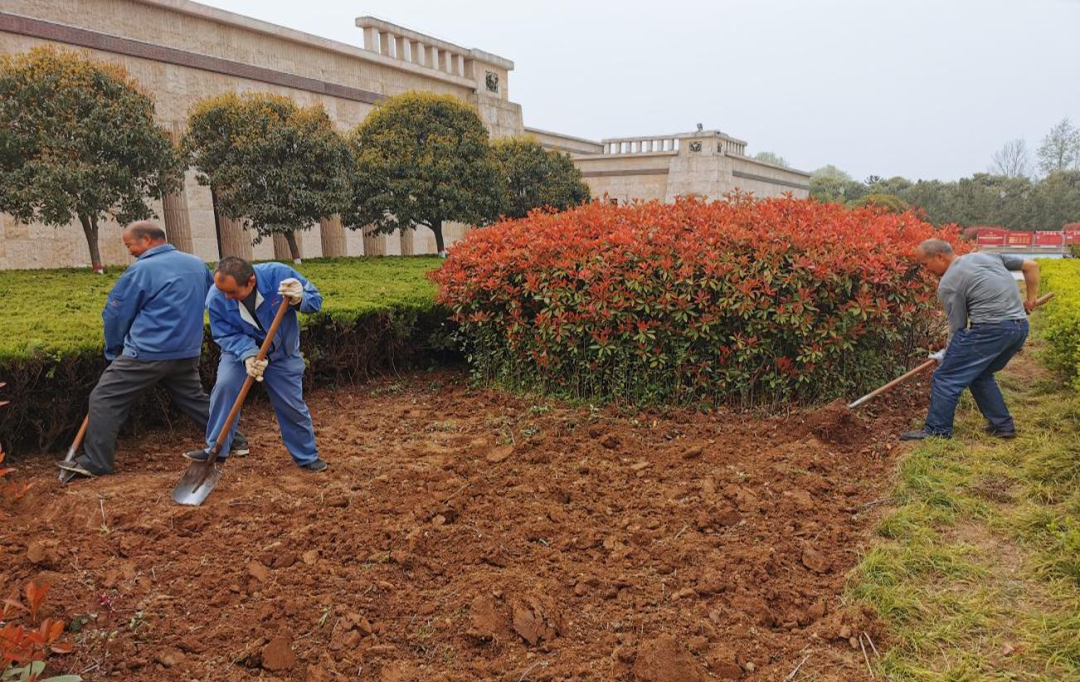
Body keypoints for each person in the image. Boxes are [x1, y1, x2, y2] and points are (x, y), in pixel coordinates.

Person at [58, 222, 248, 480]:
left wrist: (114, 350)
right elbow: (214, 300)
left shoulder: (141, 270)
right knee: (193, 398)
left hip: (146, 352)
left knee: (104, 397)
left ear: (146, 239)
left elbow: (116, 314)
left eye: (130, 245)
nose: (130, 251)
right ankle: (233, 440)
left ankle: (96, 461)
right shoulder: (196, 264)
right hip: (186, 352)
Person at [184, 257, 327, 471]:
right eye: (222, 290)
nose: (226, 297)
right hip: (238, 352)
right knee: (225, 387)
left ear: (251, 281)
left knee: (290, 404)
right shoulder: (216, 297)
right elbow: (225, 334)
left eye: (231, 292)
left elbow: (315, 302)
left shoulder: (279, 275)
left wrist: (300, 299)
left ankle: (306, 456)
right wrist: (248, 355)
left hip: (282, 352)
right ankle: (216, 450)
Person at [901, 238, 1040, 441]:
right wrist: (1031, 300)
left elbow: (958, 328)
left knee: (946, 377)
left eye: (925, 264)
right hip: (1019, 328)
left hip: (991, 331)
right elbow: (1031, 266)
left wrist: (948, 355)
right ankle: (1002, 426)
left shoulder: (949, 282)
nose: (925, 270)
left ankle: (938, 431)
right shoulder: (986, 256)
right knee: (980, 374)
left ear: (939, 257)